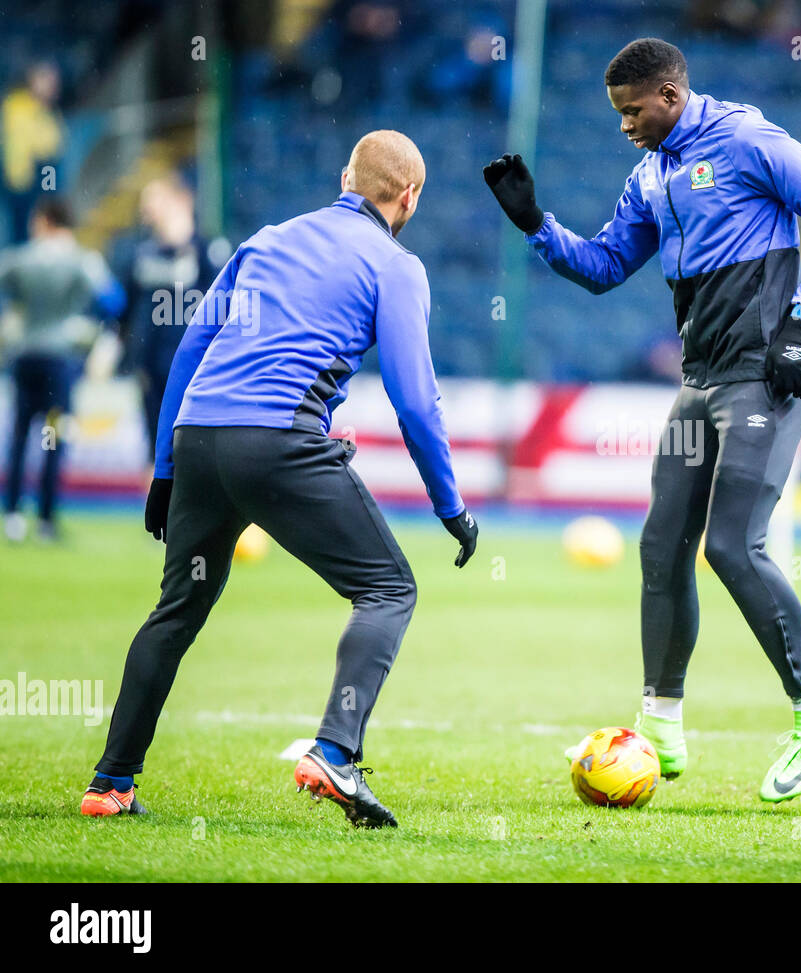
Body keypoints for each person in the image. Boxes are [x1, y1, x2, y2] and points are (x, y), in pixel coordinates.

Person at [484, 38, 801, 802]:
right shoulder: (649, 175)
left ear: (668, 94)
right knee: (663, 547)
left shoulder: (749, 140)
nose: (625, 125)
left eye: (632, 111)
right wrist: (535, 224)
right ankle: (660, 723)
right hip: (703, 380)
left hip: (770, 371)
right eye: (618, 114)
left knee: (731, 545)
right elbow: (602, 268)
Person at [82, 131, 478, 829]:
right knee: (387, 588)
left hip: (200, 438)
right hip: (276, 441)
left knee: (176, 610)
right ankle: (334, 750)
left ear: (345, 177)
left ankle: (110, 781)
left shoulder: (266, 240)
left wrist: (166, 471)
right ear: (409, 195)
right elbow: (416, 401)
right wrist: (451, 506)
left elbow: (192, 349)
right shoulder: (395, 265)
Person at [1, 197, 123, 542]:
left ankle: (11, 515)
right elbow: (113, 301)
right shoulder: (82, 261)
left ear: (42, 221)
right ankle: (45, 520)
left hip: (25, 357)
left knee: (20, 434)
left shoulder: (19, 259)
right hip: (59, 362)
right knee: (54, 437)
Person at [110, 174, 221, 463]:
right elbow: (125, 313)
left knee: (194, 448)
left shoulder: (209, 252)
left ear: (181, 199)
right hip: (151, 369)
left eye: (155, 199)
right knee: (157, 450)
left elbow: (223, 312)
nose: (147, 208)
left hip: (195, 368)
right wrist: (119, 351)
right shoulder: (140, 254)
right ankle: (156, 508)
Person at [2, 62, 63, 245]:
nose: (53, 87)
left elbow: (54, 147)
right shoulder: (17, 106)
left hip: (43, 171)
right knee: (23, 225)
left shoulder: (47, 111)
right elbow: (39, 145)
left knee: (47, 212)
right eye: (47, 81)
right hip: (23, 176)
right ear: (33, 80)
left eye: (54, 82)